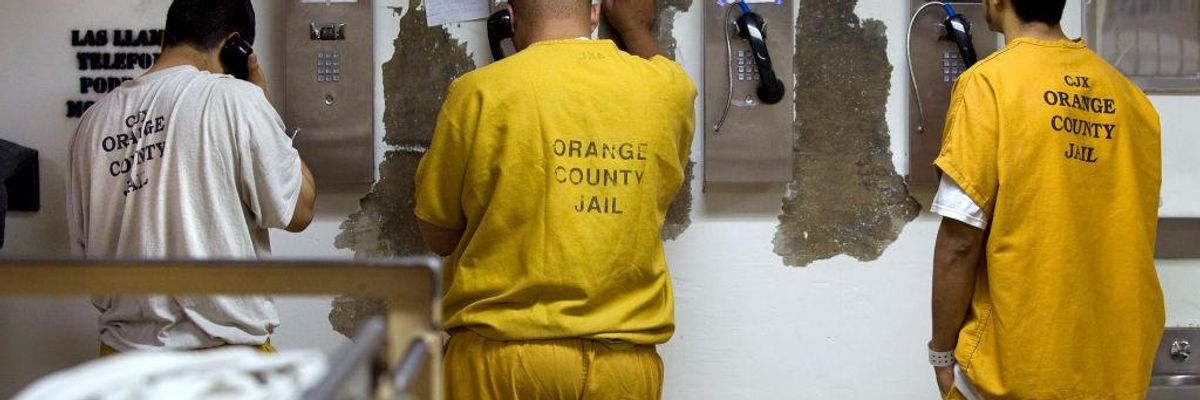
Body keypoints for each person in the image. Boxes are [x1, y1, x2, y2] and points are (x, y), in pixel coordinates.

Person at [413, 0, 696, 398]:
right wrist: (635, 30)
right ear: (595, 13)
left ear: (509, 19)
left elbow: (439, 236)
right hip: (624, 366)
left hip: (503, 360)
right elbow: (678, 81)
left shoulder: (476, 94)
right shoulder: (667, 90)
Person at [927, 0, 1163, 398]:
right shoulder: (1131, 99)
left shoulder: (988, 86)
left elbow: (959, 242)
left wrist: (941, 351)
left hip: (1022, 367)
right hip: (1117, 366)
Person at [67, 0, 316, 354]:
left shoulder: (92, 122)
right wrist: (264, 103)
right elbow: (300, 211)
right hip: (225, 364)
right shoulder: (238, 100)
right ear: (236, 45)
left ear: (164, 37)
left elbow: (83, 257)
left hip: (123, 365)